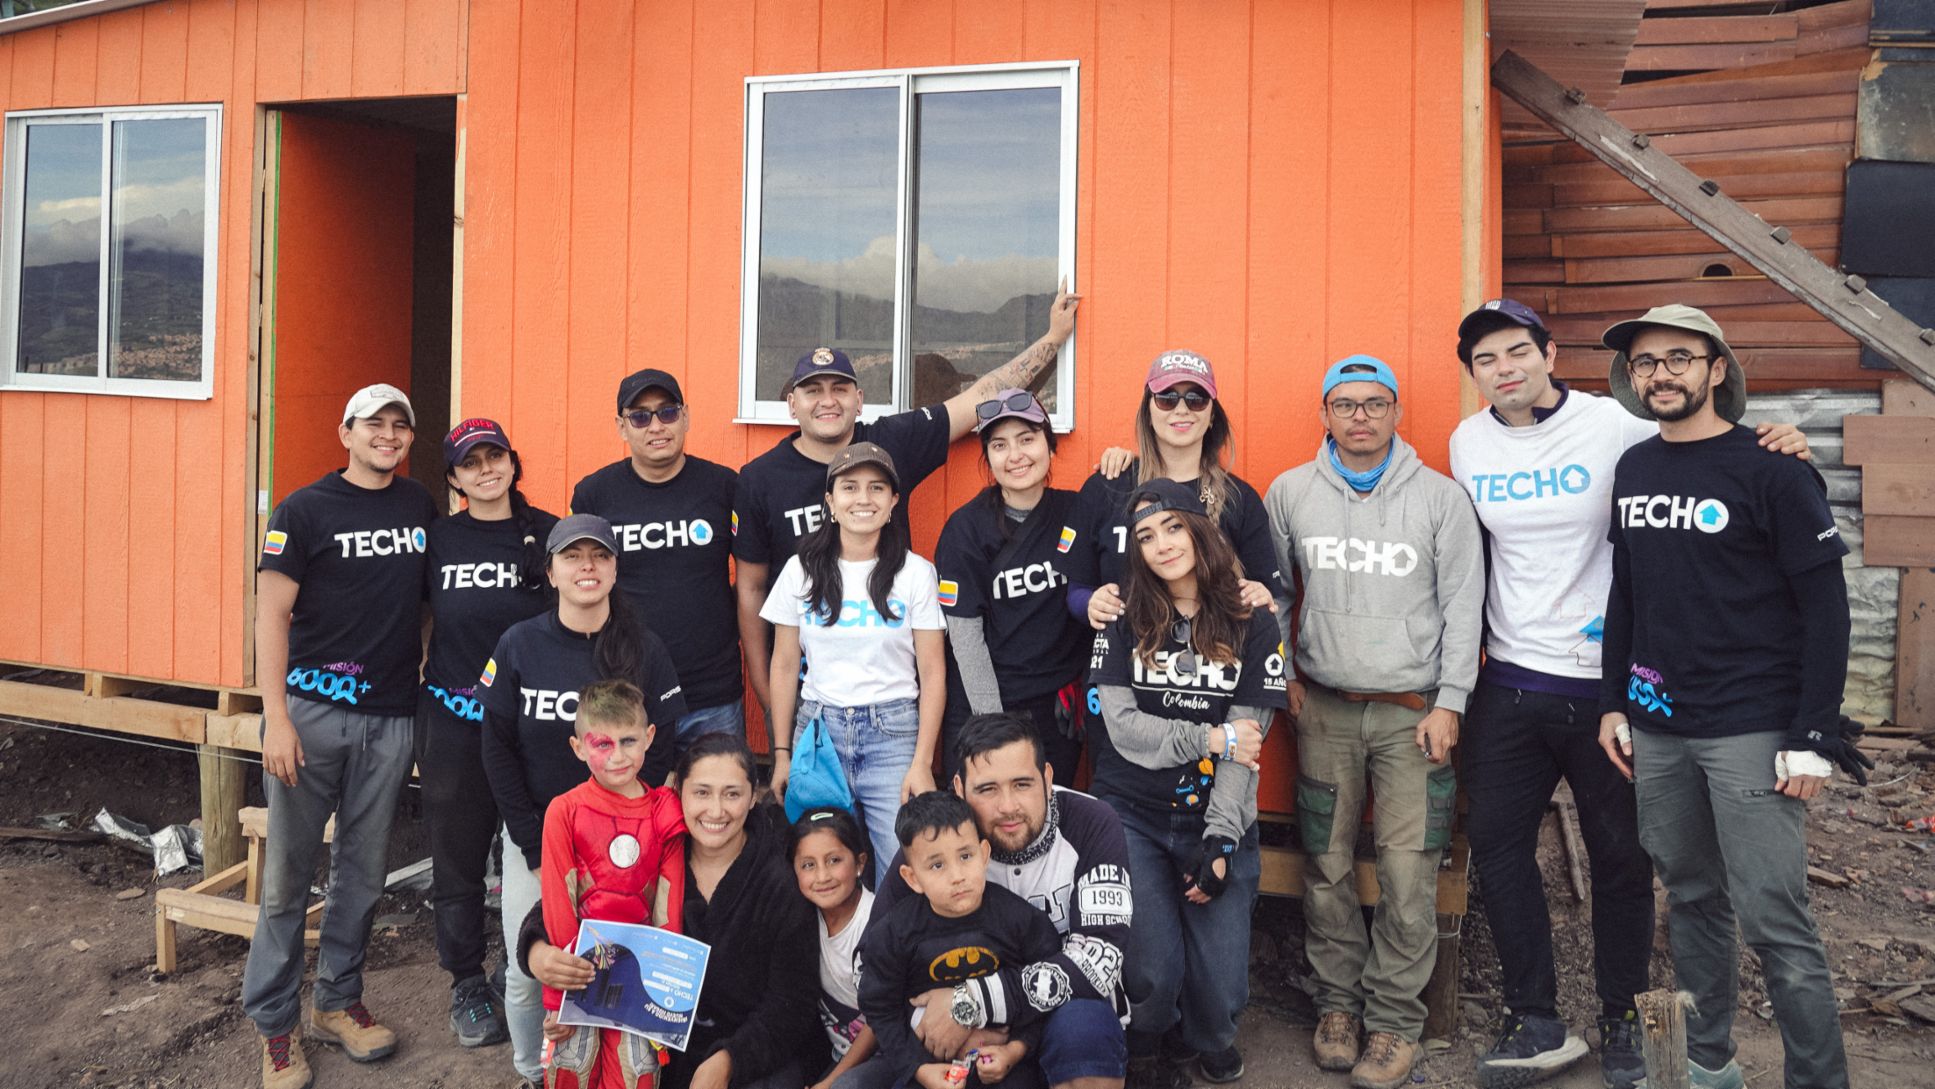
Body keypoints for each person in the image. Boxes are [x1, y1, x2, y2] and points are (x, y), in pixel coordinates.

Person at [1446, 300, 1813, 1089]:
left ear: (1549, 353)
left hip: (1609, 689)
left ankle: (1620, 1016)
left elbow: (1707, 450)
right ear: (1473, 374)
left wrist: (1784, 439)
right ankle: (1533, 1014)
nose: (1504, 368)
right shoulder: (1466, 442)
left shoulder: (1616, 423)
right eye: (1485, 359)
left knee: (1622, 859)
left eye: (1518, 350)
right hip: (1509, 678)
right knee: (1501, 849)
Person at [1596, 305, 1866, 1089]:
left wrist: (1812, 733)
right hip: (1657, 724)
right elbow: (1626, 594)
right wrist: (1615, 701)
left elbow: (1826, 607)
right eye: (1645, 363)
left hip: (1751, 724)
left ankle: (1818, 1081)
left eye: (1678, 358)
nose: (1660, 374)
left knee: (1775, 920)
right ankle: (1706, 1064)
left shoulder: (1773, 467)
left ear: (1717, 369)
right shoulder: (1636, 469)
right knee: (1689, 898)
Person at [1263, 356, 1482, 1089]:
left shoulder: (1439, 499)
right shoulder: (1290, 493)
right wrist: (1285, 675)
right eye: (1345, 404)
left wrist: (1451, 700)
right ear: (1323, 414)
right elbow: (1269, 595)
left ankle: (1393, 1022)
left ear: (1394, 412)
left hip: (1411, 716)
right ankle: (1336, 1008)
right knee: (1324, 863)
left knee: (1406, 870)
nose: (1360, 417)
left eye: (1375, 404)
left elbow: (1463, 608)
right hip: (1322, 710)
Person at [734, 283, 1081, 721]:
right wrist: (768, 697)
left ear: (859, 400)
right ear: (791, 404)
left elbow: (981, 397)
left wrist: (1051, 340)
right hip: (811, 692)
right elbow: (750, 591)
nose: (827, 400)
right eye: (812, 390)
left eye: (840, 388)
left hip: (892, 692)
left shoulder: (892, 442)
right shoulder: (759, 479)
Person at [244, 383, 438, 1089]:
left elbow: (423, 600)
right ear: (345, 431)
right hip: (311, 717)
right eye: (373, 423)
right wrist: (279, 717)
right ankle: (275, 1026)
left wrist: (414, 660)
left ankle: (336, 1001)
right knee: (287, 879)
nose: (387, 434)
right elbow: (271, 615)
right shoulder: (302, 509)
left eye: (399, 425)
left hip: (389, 717)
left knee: (361, 871)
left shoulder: (418, 506)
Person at [1087, 479, 1288, 1087]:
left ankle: (1207, 1036)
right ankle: (1147, 1037)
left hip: (1217, 811)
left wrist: (1222, 839)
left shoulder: (1255, 620)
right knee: (1151, 969)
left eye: (1173, 527)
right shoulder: (1124, 617)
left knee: (1222, 989)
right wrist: (1208, 738)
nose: (1162, 545)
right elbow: (1123, 729)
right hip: (1134, 812)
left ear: (1202, 531)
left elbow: (1246, 739)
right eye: (1146, 536)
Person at [482, 514, 690, 1088]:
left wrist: (641, 824)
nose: (587, 567)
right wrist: (528, 839)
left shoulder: (643, 647)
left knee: (622, 969)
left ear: (616, 568)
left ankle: (616, 1074)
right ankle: (534, 1073)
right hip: (541, 839)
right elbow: (496, 747)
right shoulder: (519, 642)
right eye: (572, 557)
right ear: (550, 571)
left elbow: (665, 740)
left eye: (599, 556)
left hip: (625, 841)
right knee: (535, 970)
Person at [521, 733, 823, 1089]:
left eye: (732, 794)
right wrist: (538, 952)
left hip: (755, 1054)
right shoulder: (652, 852)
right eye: (702, 792)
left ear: (753, 797)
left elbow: (792, 1002)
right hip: (659, 1048)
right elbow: (561, 904)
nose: (715, 811)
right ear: (677, 789)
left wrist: (729, 1061)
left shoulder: (778, 879)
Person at [877, 713, 1133, 1089]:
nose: (1008, 806)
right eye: (988, 790)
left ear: (1047, 778)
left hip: (1063, 1015)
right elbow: (867, 962)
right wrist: (931, 1022)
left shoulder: (1092, 821)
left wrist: (972, 1004)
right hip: (953, 1041)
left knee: (1086, 1031)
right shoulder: (933, 839)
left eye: (1022, 784)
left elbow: (1100, 962)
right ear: (959, 789)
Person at [420, 417, 559, 1050]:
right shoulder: (437, 540)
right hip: (452, 717)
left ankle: (520, 961)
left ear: (512, 461)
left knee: (537, 850)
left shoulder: (548, 533)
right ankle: (466, 982)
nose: (486, 469)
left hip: (531, 723)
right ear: (453, 477)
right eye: (470, 462)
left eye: (495, 455)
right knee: (458, 853)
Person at [761, 443, 948, 878]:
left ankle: (886, 950)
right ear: (830, 501)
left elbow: (933, 672)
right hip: (819, 734)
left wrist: (922, 762)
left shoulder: (914, 573)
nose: (863, 499)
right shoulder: (800, 570)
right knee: (820, 866)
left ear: (893, 502)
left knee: (901, 867)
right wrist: (782, 753)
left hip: (893, 734)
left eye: (876, 488)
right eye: (849, 488)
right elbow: (785, 665)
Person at [571, 370, 745, 762]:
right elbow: (576, 587)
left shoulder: (724, 487)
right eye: (640, 416)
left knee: (716, 809)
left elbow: (752, 579)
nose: (656, 426)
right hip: (626, 693)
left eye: (667, 413)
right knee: (632, 816)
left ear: (685, 417)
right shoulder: (594, 493)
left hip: (711, 693)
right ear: (621, 426)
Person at [934, 390, 1091, 784]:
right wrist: (996, 729)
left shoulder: (1079, 511)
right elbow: (965, 639)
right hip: (986, 703)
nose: (1016, 455)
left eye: (1027, 439)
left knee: (1047, 821)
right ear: (988, 459)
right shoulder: (965, 529)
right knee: (983, 824)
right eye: (999, 445)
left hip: (1057, 709)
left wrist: (1122, 462)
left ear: (1050, 446)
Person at [856, 791, 1063, 1089]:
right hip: (927, 1067)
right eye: (937, 865)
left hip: (1004, 1064)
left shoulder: (1019, 920)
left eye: (965, 856)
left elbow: (1045, 985)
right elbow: (880, 1007)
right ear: (912, 878)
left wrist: (1016, 1049)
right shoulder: (895, 932)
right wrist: (918, 1068)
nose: (957, 876)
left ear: (984, 854)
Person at [537, 680, 687, 1089]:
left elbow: (668, 911)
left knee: (637, 1072)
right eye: (603, 744)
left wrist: (663, 990)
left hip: (640, 979)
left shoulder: (664, 811)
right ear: (578, 747)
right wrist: (558, 999)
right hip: (579, 978)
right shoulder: (564, 811)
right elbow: (557, 905)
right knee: (572, 1068)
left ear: (649, 738)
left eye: (628, 741)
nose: (617, 756)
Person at [1064, 350, 1280, 633]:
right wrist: (1092, 602)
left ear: (1212, 414)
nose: (1182, 409)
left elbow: (1265, 593)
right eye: (1167, 398)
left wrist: (1258, 595)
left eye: (1196, 399)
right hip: (1121, 666)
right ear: (1148, 412)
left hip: (1214, 668)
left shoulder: (1240, 498)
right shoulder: (1108, 485)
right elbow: (1075, 590)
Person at [789, 808, 878, 1089]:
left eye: (834, 860)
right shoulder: (802, 915)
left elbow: (878, 1021)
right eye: (808, 865)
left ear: (860, 863)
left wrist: (830, 1082)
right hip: (837, 1053)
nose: (822, 876)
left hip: (882, 1055)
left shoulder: (873, 924)